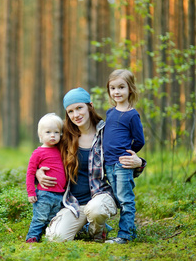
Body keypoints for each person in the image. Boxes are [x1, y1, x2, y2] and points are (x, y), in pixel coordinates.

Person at [36, 87, 145, 243]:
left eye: (79, 108)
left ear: (90, 106)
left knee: (95, 210)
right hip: (74, 203)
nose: (76, 115)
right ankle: (87, 226)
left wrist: (139, 162)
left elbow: (122, 165)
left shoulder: (107, 132)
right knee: (55, 238)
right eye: (71, 111)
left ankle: (96, 231)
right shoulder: (65, 136)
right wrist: (38, 173)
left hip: (101, 196)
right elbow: (44, 155)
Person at [103, 69, 145, 244]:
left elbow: (140, 140)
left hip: (122, 164)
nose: (117, 92)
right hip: (109, 164)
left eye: (121, 87)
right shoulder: (110, 112)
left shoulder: (132, 114)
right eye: (113, 88)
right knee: (118, 199)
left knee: (126, 200)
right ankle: (130, 230)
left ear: (130, 90)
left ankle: (125, 235)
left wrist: (129, 152)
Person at [25, 113, 67, 243]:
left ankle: (48, 235)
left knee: (53, 218)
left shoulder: (61, 150)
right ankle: (32, 237)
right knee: (40, 217)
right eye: (48, 132)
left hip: (60, 194)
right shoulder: (38, 153)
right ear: (40, 135)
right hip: (44, 194)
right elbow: (30, 173)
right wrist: (31, 192)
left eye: (56, 132)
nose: (53, 135)